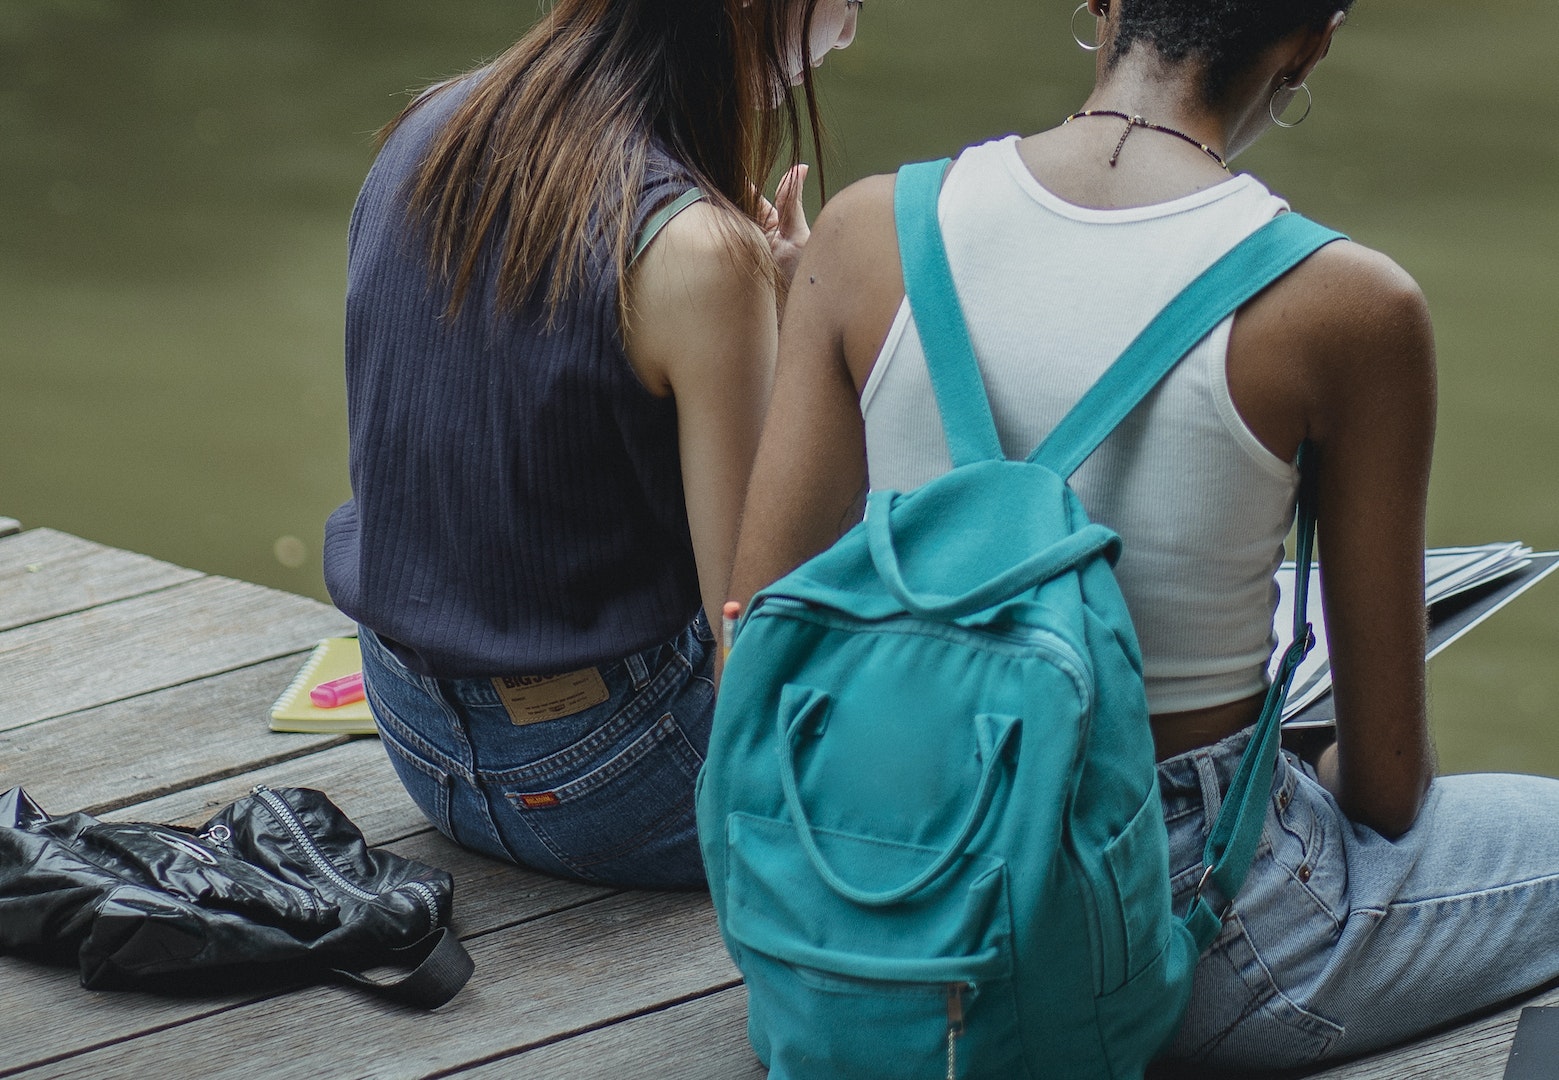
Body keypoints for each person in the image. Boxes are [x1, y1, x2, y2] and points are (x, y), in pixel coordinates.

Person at [725, 0, 1559, 1069]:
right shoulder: (1346, 303)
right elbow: (1389, 794)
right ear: (1310, 41)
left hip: (862, 894)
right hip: (1163, 929)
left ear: (1099, 6)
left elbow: (757, 635)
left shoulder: (861, 232)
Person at [323, 0, 860, 889]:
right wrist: (808, 336)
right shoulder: (701, 253)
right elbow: (759, 637)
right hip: (605, 781)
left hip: (412, 734)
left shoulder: (430, 124)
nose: (847, 31)